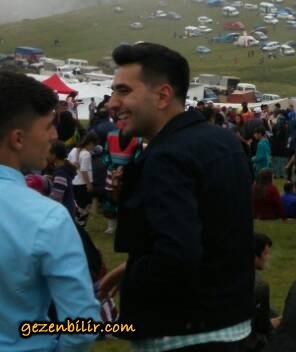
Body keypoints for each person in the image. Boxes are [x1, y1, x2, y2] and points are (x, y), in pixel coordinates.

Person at [97, 43, 254, 347]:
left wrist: (137, 278)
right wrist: (131, 266)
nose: (112, 104)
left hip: (181, 333)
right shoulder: (224, 141)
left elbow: (176, 256)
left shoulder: (167, 157)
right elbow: (215, 233)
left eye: (123, 91)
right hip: (232, 322)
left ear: (163, 96)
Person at [0, 71, 101, 352]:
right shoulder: (46, 217)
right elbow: (82, 326)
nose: (55, 135)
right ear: (18, 139)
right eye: (48, 126)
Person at [243, 233, 281, 352]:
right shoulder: (260, 287)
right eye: (265, 253)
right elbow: (263, 328)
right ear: (254, 256)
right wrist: (277, 321)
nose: (268, 257)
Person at [70, 132, 99, 219]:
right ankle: (80, 223)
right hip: (83, 184)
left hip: (74, 182)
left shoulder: (73, 150)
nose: (93, 148)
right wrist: (88, 184)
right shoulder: (86, 154)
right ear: (90, 143)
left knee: (77, 205)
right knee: (84, 208)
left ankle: (76, 219)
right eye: (94, 145)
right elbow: (84, 171)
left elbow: (68, 163)